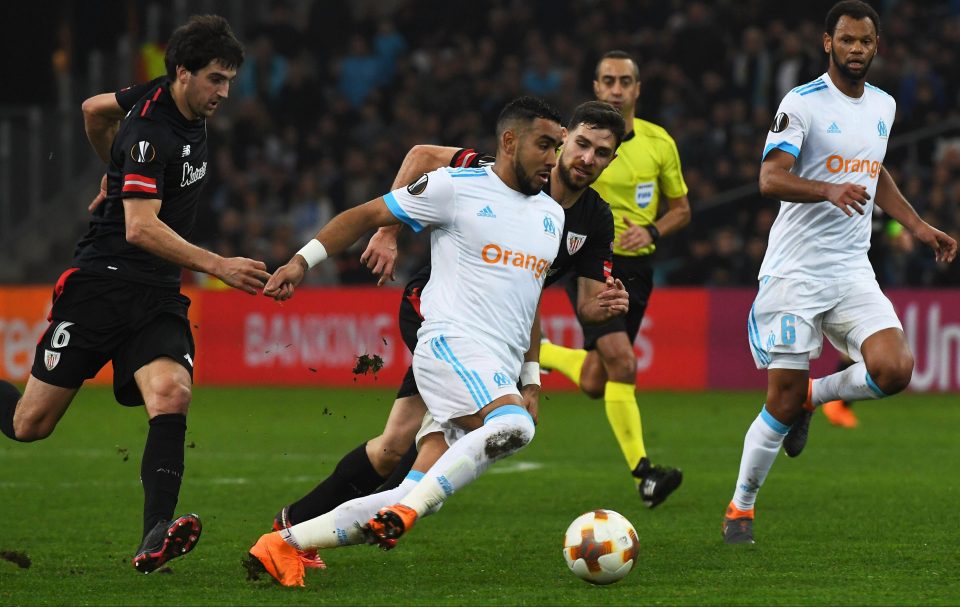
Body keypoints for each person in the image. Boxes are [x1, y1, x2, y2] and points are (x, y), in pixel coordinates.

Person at [246, 97, 620, 587]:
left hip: (495, 363)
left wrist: (530, 377)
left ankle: (283, 542)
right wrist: (303, 261)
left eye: (565, 147)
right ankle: (406, 514)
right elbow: (364, 213)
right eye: (549, 145)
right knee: (514, 426)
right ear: (511, 142)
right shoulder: (459, 185)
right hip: (448, 343)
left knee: (408, 474)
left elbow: (531, 303)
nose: (556, 159)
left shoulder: (552, 217)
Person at [0, 15, 271, 573]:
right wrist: (218, 264)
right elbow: (140, 228)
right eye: (216, 79)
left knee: (172, 393)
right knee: (30, 426)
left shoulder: (159, 97)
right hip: (100, 286)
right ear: (183, 72)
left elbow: (93, 109)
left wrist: (113, 171)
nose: (224, 92)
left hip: (156, 293)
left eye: (229, 81)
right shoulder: (151, 131)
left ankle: (154, 535)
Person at [722, 0, 957, 545]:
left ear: (878, 46)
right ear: (827, 42)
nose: (856, 50)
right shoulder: (801, 104)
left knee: (895, 368)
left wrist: (918, 225)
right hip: (795, 272)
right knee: (778, 399)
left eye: (865, 42)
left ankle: (815, 397)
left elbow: (875, 171)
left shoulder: (884, 105)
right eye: (846, 40)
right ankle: (741, 508)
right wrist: (826, 188)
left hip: (852, 268)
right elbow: (769, 179)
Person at [537, 50, 692, 508]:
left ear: (638, 89)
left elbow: (681, 209)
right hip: (590, 262)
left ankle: (538, 353)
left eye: (626, 81)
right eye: (608, 81)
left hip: (638, 271)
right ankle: (645, 474)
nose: (617, 89)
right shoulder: (582, 144)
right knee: (623, 363)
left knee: (594, 379)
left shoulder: (659, 143)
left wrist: (653, 229)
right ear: (596, 87)